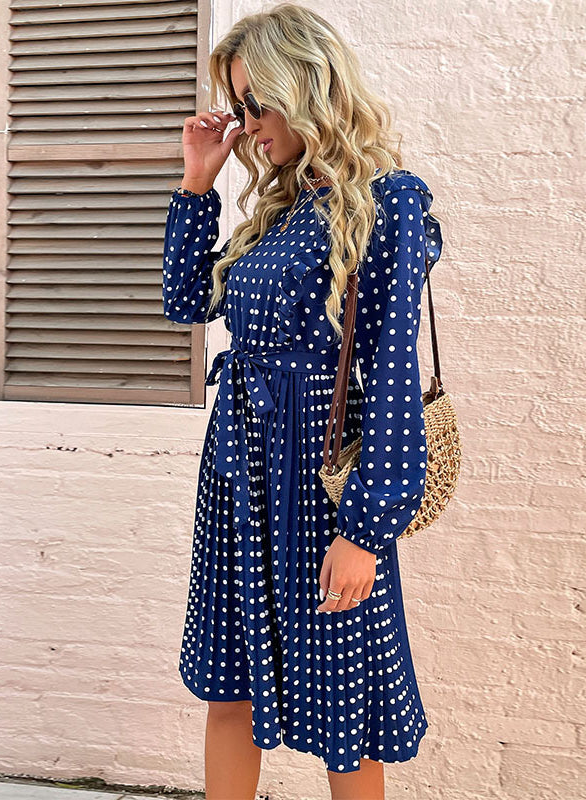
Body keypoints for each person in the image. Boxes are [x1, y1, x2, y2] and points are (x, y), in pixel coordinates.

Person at [162, 3, 443, 798]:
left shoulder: (386, 201)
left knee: (345, 715)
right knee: (228, 687)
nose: (248, 123)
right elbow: (187, 301)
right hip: (238, 476)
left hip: (320, 489)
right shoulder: (284, 208)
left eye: (257, 102)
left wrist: (365, 529)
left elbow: (391, 379)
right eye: (240, 105)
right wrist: (197, 182)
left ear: (307, 85)